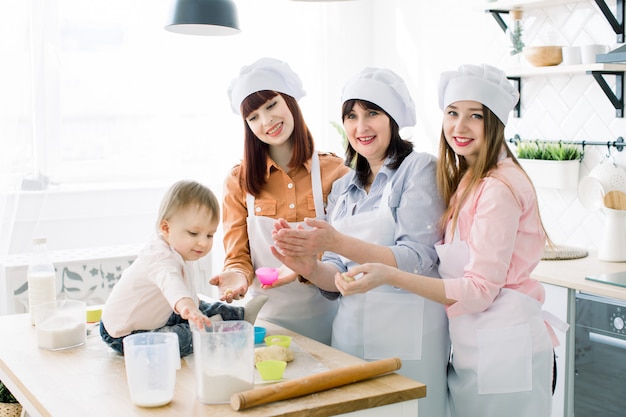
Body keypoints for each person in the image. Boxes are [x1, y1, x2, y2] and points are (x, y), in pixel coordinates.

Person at [334, 64, 558, 417]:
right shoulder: (470, 180)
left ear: (495, 123)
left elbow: (480, 290)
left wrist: (388, 274)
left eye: (475, 116)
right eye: (452, 113)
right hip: (477, 346)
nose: (459, 126)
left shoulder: (498, 187)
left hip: (505, 349)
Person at [271, 67, 450, 417]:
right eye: (351, 116)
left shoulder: (419, 169)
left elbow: (417, 255)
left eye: (372, 113)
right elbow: (336, 276)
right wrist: (306, 264)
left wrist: (336, 241)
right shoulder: (343, 187)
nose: (360, 126)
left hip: (409, 341)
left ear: (393, 119)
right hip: (351, 339)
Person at [209, 57, 350, 344]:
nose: (266, 122)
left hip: (333, 322)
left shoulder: (336, 172)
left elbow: (345, 255)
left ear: (290, 101)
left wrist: (306, 266)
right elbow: (238, 256)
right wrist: (237, 276)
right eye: (253, 117)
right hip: (267, 322)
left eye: (271, 105)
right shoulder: (238, 180)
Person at [100, 180, 268, 357]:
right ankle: (215, 331)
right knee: (183, 337)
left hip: (158, 315)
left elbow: (183, 288)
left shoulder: (178, 250)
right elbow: (171, 283)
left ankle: (240, 316)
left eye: (210, 235)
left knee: (202, 306)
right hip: (124, 333)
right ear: (166, 228)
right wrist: (188, 307)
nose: (203, 242)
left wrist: (194, 306)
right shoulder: (159, 256)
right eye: (193, 233)